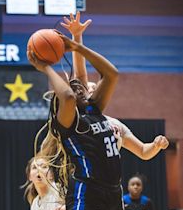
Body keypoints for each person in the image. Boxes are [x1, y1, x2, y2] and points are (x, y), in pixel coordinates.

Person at [27, 29, 124, 210]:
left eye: (81, 87)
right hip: (88, 193)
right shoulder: (67, 123)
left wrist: (78, 47)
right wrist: (45, 67)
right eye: (74, 87)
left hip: (113, 191)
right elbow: (68, 97)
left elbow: (112, 74)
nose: (79, 87)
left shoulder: (93, 109)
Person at [60, 12, 169, 159]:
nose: (91, 88)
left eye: (94, 87)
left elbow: (143, 151)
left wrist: (156, 145)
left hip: (111, 181)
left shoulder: (114, 124)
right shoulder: (77, 119)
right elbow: (80, 74)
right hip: (86, 178)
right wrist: (77, 37)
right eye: (88, 87)